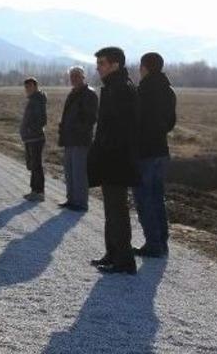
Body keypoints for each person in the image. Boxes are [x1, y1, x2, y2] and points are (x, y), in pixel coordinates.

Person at [87, 46, 139, 275]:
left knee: (117, 210)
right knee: (110, 210)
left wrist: (105, 150)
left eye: (102, 64)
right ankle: (112, 254)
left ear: (115, 65)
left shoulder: (122, 89)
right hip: (110, 158)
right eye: (98, 64)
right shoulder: (112, 87)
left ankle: (124, 261)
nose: (98, 68)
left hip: (118, 159)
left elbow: (120, 128)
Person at [133, 52, 177, 258]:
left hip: (145, 151)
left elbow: (136, 121)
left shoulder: (143, 90)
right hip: (161, 150)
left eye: (141, 66)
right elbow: (170, 123)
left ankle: (153, 244)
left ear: (145, 67)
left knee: (144, 199)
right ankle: (162, 241)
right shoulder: (169, 91)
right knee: (157, 198)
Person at [57, 66, 98, 212]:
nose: (74, 79)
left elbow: (91, 118)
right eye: (72, 76)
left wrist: (76, 129)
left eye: (77, 76)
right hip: (69, 139)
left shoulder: (89, 94)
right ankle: (71, 200)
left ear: (83, 77)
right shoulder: (73, 93)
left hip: (80, 140)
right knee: (69, 171)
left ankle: (81, 203)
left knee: (79, 172)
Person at [20, 77, 47, 202]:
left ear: (35, 87)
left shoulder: (38, 100)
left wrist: (30, 130)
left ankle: (39, 192)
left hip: (36, 138)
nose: (28, 89)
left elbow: (42, 120)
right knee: (32, 165)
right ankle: (34, 191)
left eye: (30, 86)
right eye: (26, 87)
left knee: (36, 165)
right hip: (30, 138)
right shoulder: (33, 99)